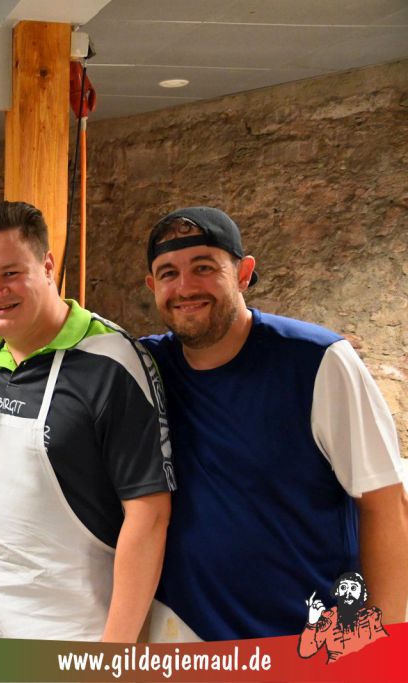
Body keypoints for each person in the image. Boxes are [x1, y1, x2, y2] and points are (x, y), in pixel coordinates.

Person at [141, 206, 408, 642]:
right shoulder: (145, 366)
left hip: (306, 638)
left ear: (244, 274)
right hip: (185, 630)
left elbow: (385, 504)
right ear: (153, 287)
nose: (185, 287)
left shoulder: (317, 360)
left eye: (204, 267)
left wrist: (385, 648)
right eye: (168, 273)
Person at [0, 201, 173, 643]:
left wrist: (116, 648)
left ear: (48, 266)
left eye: (11, 273)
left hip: (71, 620)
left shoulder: (111, 362)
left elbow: (149, 516)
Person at [299, 572, 388, 663]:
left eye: (353, 588)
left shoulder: (371, 618)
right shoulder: (329, 618)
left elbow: (385, 651)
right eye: (343, 587)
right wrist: (312, 623)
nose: (348, 593)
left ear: (362, 594)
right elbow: (306, 652)